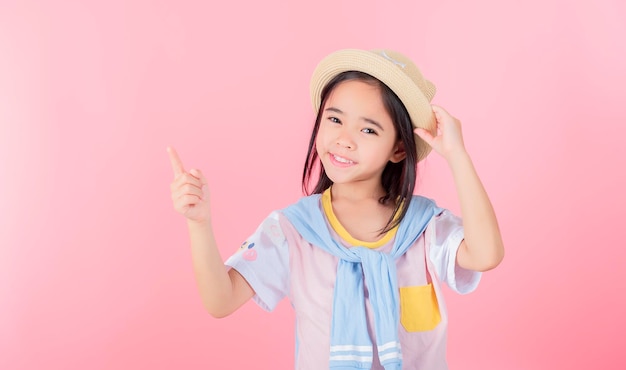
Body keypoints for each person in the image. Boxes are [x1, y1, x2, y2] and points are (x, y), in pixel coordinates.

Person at [168, 49, 504, 369]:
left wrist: (458, 157)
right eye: (335, 119)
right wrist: (199, 223)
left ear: (399, 149)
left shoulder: (425, 227)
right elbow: (220, 300)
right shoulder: (293, 230)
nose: (344, 139)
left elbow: (486, 254)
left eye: (368, 129)